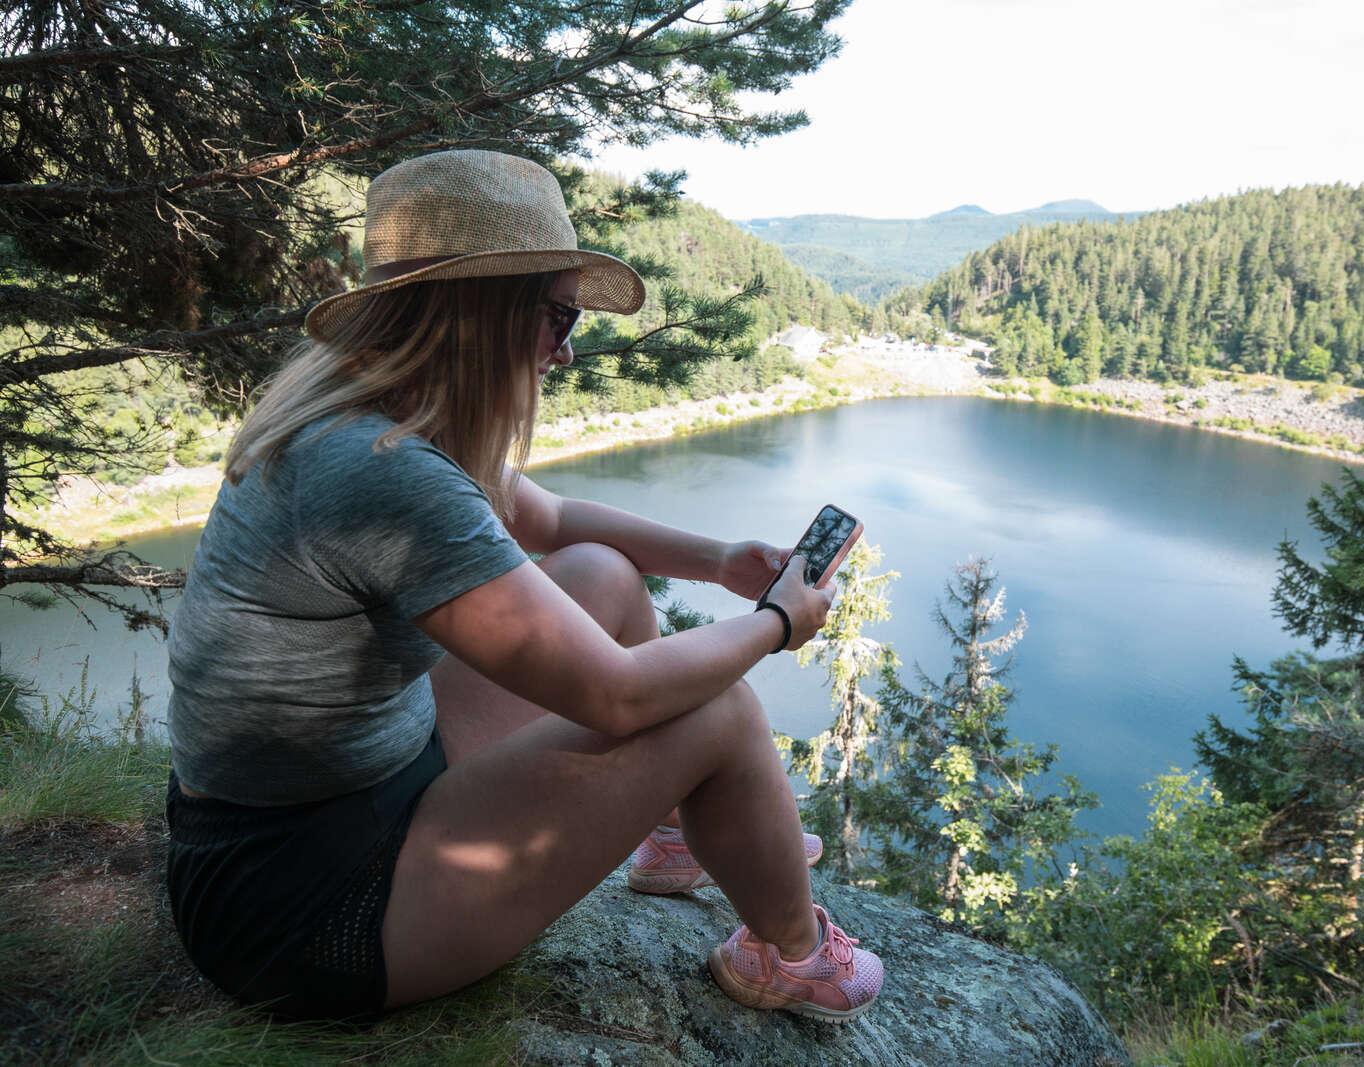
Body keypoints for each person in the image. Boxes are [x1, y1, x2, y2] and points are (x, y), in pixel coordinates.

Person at [163, 149, 884, 1024]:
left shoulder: (365, 411)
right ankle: (794, 956)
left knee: (601, 579)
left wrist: (722, 558)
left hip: (335, 803)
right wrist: (776, 622)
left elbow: (550, 522)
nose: (567, 350)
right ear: (477, 315)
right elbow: (617, 697)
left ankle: (664, 831)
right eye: (556, 316)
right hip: (302, 911)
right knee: (717, 708)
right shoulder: (382, 471)